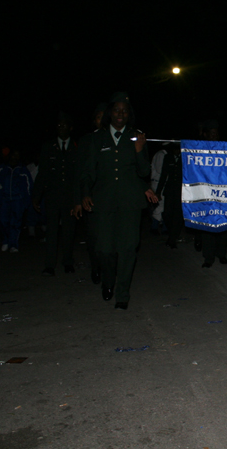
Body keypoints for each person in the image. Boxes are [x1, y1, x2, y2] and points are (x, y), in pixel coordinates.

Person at [80, 93, 157, 309]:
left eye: (124, 110)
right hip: (103, 202)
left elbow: (143, 172)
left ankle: (122, 293)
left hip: (130, 202)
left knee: (127, 248)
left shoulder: (136, 137)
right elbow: (88, 172)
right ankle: (108, 281)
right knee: (104, 248)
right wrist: (85, 193)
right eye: (116, 110)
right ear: (109, 113)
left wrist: (140, 151)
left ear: (129, 114)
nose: (120, 114)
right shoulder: (97, 138)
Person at [33, 112, 77, 276]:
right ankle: (49, 265)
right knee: (51, 231)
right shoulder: (48, 147)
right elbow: (42, 173)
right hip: (52, 196)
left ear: (70, 128)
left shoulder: (76, 146)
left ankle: (68, 262)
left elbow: (78, 174)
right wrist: (36, 195)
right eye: (58, 125)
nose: (61, 128)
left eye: (64, 125)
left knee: (68, 230)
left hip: (70, 197)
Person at [72, 102, 107, 284]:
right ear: (95, 121)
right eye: (99, 117)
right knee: (94, 237)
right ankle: (96, 267)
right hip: (91, 197)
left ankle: (110, 269)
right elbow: (80, 171)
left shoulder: (116, 139)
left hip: (111, 197)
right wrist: (78, 200)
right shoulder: (86, 141)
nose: (102, 120)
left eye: (104, 116)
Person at [199, 120, 227, 268]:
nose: (214, 136)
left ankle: (221, 253)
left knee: (223, 226)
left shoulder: (224, 150)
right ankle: (208, 257)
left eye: (216, 134)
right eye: (211, 134)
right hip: (206, 194)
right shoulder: (200, 150)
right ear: (206, 135)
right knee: (208, 227)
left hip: (222, 193)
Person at [0, 149, 32, 252]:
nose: (15, 157)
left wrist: (26, 200)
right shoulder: (3, 168)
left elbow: (29, 185)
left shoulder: (22, 169)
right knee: (2, 220)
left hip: (18, 199)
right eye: (14, 155)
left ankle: (13, 244)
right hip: (4, 199)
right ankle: (5, 241)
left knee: (16, 222)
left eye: (17, 155)